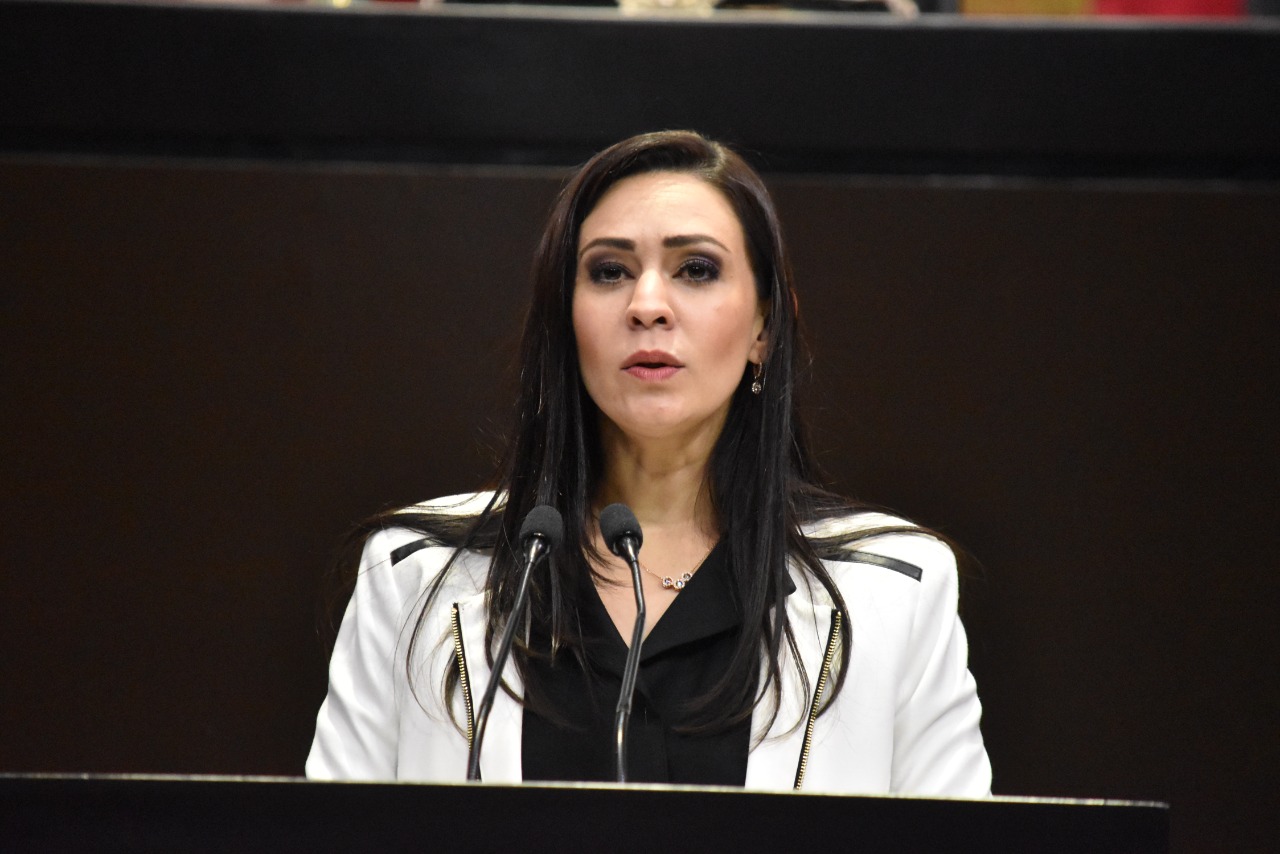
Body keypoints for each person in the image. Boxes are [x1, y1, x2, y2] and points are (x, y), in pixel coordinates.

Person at [306, 130, 991, 795]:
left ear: (765, 326)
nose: (647, 306)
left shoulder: (896, 590)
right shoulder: (414, 575)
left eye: (696, 269)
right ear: (565, 319)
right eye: (610, 272)